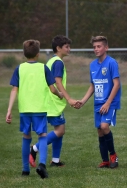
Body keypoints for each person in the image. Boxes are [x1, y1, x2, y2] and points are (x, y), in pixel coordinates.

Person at [6, 39, 63, 179]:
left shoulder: (19, 68)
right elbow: (52, 88)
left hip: (24, 109)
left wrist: (9, 110)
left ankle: (25, 169)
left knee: (26, 137)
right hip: (39, 109)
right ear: (38, 54)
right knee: (42, 135)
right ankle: (42, 165)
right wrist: (60, 94)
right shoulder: (43, 68)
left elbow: (14, 90)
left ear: (24, 54)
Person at [29, 35, 78, 168]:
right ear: (58, 48)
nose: (69, 49)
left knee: (59, 129)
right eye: (66, 46)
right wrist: (69, 98)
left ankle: (55, 161)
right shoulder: (58, 62)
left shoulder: (51, 61)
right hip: (53, 102)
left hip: (49, 101)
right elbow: (57, 81)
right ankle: (34, 149)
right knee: (60, 130)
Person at [77, 36, 121, 169]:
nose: (96, 49)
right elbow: (93, 85)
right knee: (100, 131)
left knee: (104, 126)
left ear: (106, 47)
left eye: (99, 46)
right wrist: (83, 101)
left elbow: (116, 84)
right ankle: (105, 160)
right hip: (98, 103)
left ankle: (113, 155)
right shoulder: (92, 65)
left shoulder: (111, 63)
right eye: (94, 47)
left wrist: (108, 103)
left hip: (110, 102)